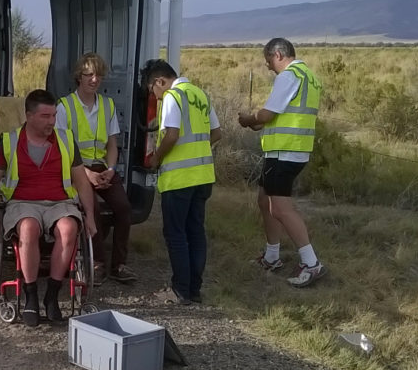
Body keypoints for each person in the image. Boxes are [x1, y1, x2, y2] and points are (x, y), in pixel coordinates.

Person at [0, 89, 98, 327]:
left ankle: (53, 294)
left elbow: (82, 182)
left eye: (54, 115)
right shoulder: (8, 141)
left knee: (68, 230)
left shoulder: (65, 140)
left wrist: (91, 216)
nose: (52, 121)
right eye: (45, 116)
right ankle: (31, 294)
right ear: (29, 116)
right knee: (28, 228)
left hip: (60, 203)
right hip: (23, 203)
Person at [238, 37, 326, 288]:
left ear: (278, 55)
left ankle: (311, 263)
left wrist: (249, 119)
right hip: (290, 150)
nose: (268, 67)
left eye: (268, 61)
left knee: (280, 208)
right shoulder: (308, 75)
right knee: (264, 201)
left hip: (285, 152)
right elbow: (280, 114)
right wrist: (260, 121)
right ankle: (272, 256)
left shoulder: (288, 76)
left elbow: (268, 113)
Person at [140, 60, 222, 305]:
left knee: (176, 234)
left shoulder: (173, 97)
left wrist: (156, 158)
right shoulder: (200, 94)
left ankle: (179, 290)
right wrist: (198, 152)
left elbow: (172, 135)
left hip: (179, 179)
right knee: (195, 232)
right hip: (203, 176)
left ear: (159, 81)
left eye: (152, 90)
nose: (153, 96)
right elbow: (217, 133)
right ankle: (194, 289)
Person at [56, 53, 137, 285]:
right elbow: (62, 148)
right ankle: (98, 263)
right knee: (93, 210)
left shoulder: (108, 105)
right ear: (78, 77)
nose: (94, 79)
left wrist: (110, 169)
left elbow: (112, 143)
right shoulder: (64, 106)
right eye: (89, 74)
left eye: (98, 75)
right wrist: (85, 174)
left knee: (123, 207)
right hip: (76, 170)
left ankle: (119, 265)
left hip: (102, 167)